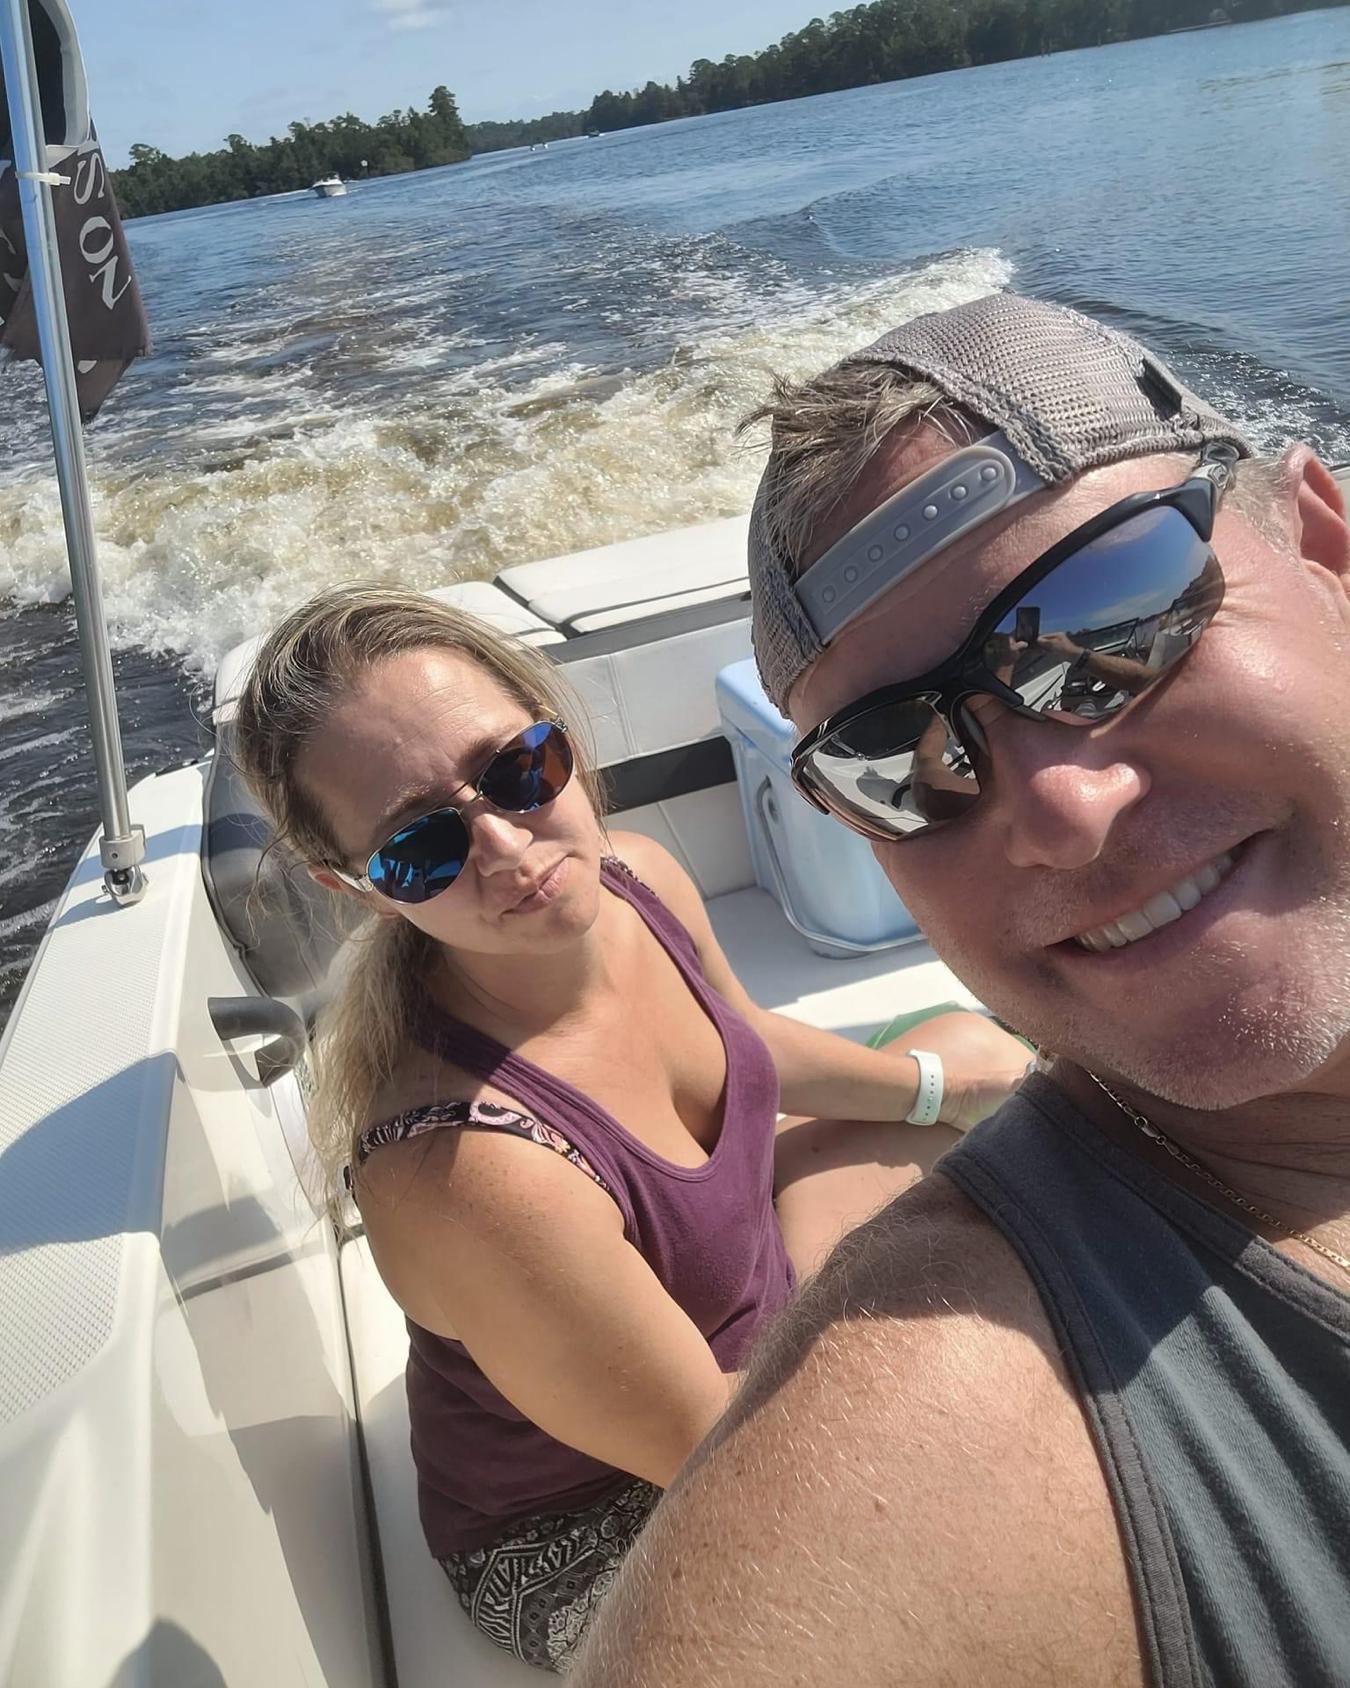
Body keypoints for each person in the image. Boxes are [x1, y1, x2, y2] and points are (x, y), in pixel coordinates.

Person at [573, 294, 1350, 1687]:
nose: (1061, 816)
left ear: (1327, 553)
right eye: (899, 762)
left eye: (1115, 620)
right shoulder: (934, 1427)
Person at [229, 586, 1029, 1674]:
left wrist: (947, 1090)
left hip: (739, 1312)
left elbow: (743, 1047)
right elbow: (724, 1454)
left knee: (975, 1056)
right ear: (359, 888)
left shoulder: (633, 878)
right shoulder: (471, 1170)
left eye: (519, 770)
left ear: (558, 736)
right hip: (610, 1518)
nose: (507, 846)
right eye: (420, 846)